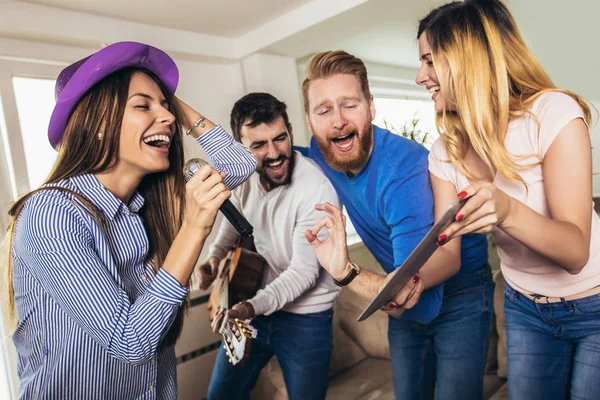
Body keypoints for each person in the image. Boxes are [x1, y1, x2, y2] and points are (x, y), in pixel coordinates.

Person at [2, 41, 257, 399]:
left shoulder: (146, 203)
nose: (167, 118)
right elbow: (130, 341)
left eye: (166, 108)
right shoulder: (52, 214)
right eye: (142, 105)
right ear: (99, 124)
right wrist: (194, 229)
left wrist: (165, 97)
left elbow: (241, 163)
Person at [415, 1, 600, 399]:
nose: (420, 77)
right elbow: (445, 251)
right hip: (523, 306)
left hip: (595, 303)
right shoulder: (443, 151)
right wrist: (410, 282)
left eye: (430, 61)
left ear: (469, 58)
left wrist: (507, 208)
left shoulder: (552, 114)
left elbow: (575, 251)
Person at [300, 50, 493, 399]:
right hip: (402, 286)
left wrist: (344, 272)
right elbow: (267, 160)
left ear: (371, 107)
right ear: (310, 120)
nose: (338, 121)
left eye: (349, 105)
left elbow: (408, 295)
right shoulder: (319, 150)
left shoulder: (402, 170)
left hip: (459, 292)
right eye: (324, 110)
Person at [197, 93, 341, 400]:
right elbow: (232, 223)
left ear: (290, 129)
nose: (275, 153)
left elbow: (304, 273)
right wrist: (214, 258)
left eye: (280, 138)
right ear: (241, 148)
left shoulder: (316, 189)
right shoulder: (244, 178)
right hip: (255, 308)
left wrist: (249, 307)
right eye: (259, 145)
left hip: (307, 319)